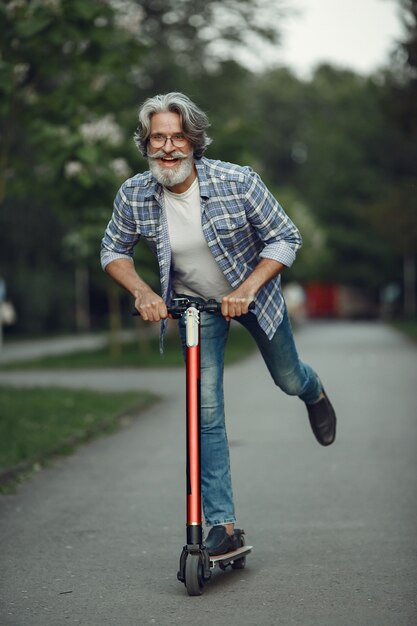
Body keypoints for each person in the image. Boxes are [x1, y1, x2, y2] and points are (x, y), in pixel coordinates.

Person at [100, 92, 336, 556]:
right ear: (145, 144)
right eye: (157, 139)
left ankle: (315, 391)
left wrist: (247, 289)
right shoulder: (134, 193)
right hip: (194, 309)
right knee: (205, 414)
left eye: (177, 137)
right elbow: (113, 250)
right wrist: (143, 291)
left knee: (288, 378)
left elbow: (285, 237)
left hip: (254, 297)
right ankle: (223, 526)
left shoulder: (237, 181)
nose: (167, 148)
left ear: (194, 140)